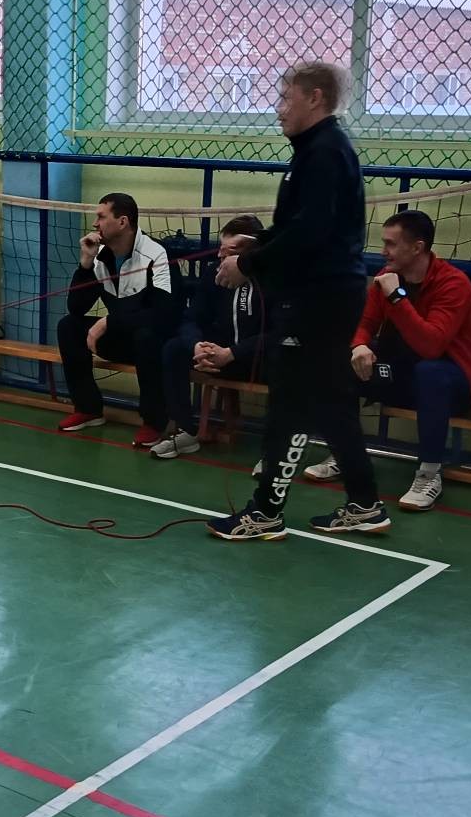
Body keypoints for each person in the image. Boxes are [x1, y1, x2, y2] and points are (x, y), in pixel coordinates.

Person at [207, 61, 386, 540]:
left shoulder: (325, 152)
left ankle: (266, 511)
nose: (279, 108)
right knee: (332, 402)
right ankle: (365, 503)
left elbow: (310, 234)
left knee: (290, 402)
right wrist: (255, 245)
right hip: (326, 294)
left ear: (315, 97)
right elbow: (294, 227)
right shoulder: (315, 151)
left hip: (319, 298)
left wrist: (248, 265)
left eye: (286, 97)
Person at [299, 208, 471, 511]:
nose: (383, 251)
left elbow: (431, 346)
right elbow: (366, 323)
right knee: (339, 364)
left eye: (391, 243)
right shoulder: (386, 277)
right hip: (403, 374)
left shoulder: (453, 284)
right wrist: (359, 346)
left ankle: (429, 474)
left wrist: (396, 298)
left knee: (430, 372)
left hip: (452, 383)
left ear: (417, 247)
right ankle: (344, 455)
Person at [56, 193, 183, 447]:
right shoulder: (100, 257)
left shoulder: (157, 254)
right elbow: (76, 308)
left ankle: (154, 421)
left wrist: (108, 322)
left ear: (123, 222)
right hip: (119, 340)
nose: (95, 224)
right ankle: (88, 408)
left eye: (101, 217)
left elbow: (164, 316)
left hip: (153, 344)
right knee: (68, 326)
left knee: (147, 336)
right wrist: (85, 263)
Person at [150, 215, 266, 459]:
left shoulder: (273, 279)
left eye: (230, 252)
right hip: (217, 357)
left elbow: (277, 333)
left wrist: (232, 353)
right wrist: (197, 347)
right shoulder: (214, 273)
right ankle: (185, 432)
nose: (220, 256)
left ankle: (273, 453)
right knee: (174, 348)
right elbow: (192, 318)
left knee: (290, 360)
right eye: (220, 249)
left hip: (258, 360)